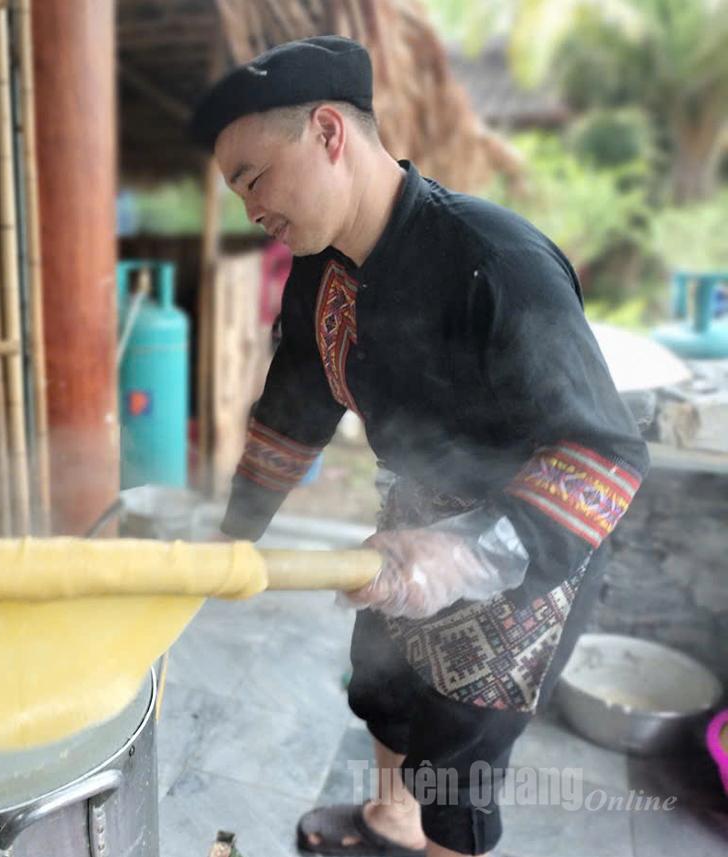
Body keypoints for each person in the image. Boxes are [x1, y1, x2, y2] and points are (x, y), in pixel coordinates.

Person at [190, 35, 649, 857]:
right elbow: (291, 412)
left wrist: (470, 554)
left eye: (253, 178)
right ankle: (388, 822)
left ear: (329, 133)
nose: (249, 209)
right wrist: (235, 539)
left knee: (458, 763)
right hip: (408, 523)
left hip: (525, 551)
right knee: (385, 687)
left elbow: (604, 457)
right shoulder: (319, 271)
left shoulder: (497, 263)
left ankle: (437, 837)